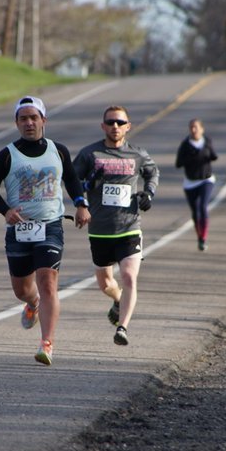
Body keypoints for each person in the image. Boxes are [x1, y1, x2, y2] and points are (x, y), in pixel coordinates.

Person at [0, 96, 91, 366]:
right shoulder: (7, 155)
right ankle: (31, 304)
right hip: (20, 229)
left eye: (34, 117)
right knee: (22, 289)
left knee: (48, 283)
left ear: (44, 120)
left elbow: (73, 181)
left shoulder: (59, 151)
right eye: (23, 118)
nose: (29, 123)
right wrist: (6, 210)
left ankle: (47, 344)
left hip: (50, 226)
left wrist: (81, 205)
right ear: (17, 123)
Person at [73, 106, 159, 347]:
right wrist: (82, 196)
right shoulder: (90, 154)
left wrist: (148, 194)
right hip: (100, 229)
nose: (115, 127)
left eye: (120, 122)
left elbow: (153, 173)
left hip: (129, 227)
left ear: (128, 126)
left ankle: (122, 327)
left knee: (130, 276)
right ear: (103, 126)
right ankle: (118, 299)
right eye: (111, 122)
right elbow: (71, 178)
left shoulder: (137, 154)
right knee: (106, 284)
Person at [174, 119, 217, 251]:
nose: (194, 130)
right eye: (192, 127)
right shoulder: (185, 144)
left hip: (206, 180)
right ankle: (199, 237)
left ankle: (203, 238)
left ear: (202, 129)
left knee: (202, 207)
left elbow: (214, 156)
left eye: (196, 127)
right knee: (195, 212)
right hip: (190, 183)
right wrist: (191, 157)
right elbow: (178, 164)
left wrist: (207, 154)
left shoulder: (207, 141)